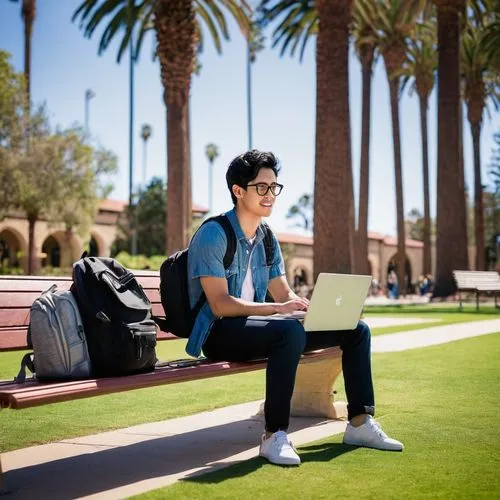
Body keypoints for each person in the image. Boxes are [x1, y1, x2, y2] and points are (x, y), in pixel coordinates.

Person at [186, 150, 403, 466]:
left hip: (260, 330)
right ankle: (274, 435)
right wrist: (278, 310)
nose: (270, 195)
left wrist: (310, 310)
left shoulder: (268, 240)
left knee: (355, 330)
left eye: (274, 187)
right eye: (262, 187)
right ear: (238, 190)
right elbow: (220, 304)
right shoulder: (213, 234)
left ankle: (359, 423)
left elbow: (283, 293)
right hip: (219, 333)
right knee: (287, 331)